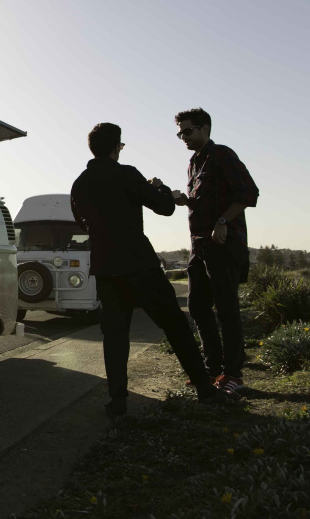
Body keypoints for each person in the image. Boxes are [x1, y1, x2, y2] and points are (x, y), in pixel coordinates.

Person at [70, 123, 227, 418]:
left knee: (115, 337)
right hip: (139, 265)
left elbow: (82, 223)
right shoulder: (126, 174)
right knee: (175, 325)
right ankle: (205, 390)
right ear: (117, 147)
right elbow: (165, 207)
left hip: (106, 269)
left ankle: (117, 402)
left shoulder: (79, 184)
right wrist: (160, 188)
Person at [173, 108, 259, 396]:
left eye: (187, 131)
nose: (182, 137)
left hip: (224, 246)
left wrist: (223, 221)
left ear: (205, 128)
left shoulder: (222, 155)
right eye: (180, 132)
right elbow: (203, 202)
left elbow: (249, 193)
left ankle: (234, 375)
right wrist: (184, 200)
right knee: (197, 306)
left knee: (227, 310)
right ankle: (212, 370)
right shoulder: (193, 164)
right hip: (199, 247)